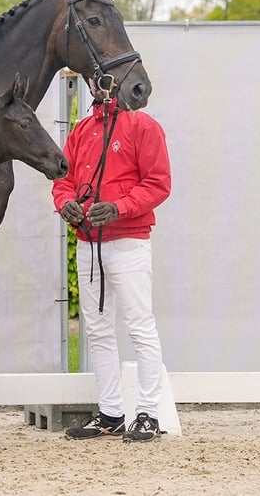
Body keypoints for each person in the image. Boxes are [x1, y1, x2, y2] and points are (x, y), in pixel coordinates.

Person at [52, 76, 171, 443]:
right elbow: (62, 180)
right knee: (98, 331)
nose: (100, 84)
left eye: (106, 77)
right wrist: (65, 204)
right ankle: (110, 412)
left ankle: (149, 413)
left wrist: (119, 207)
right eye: (95, 78)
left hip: (129, 242)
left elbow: (158, 183)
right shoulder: (82, 130)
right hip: (88, 243)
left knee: (139, 326)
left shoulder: (144, 126)